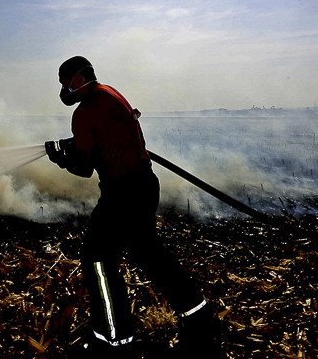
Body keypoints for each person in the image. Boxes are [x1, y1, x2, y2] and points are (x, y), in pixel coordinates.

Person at [45, 56, 222, 357]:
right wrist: (72, 145)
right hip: (145, 185)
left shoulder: (85, 110)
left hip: (122, 194)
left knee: (98, 260)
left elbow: (84, 168)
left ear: (76, 80)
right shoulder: (110, 94)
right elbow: (108, 138)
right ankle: (199, 316)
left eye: (65, 83)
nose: (63, 89)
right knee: (150, 254)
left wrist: (60, 158)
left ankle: (113, 339)